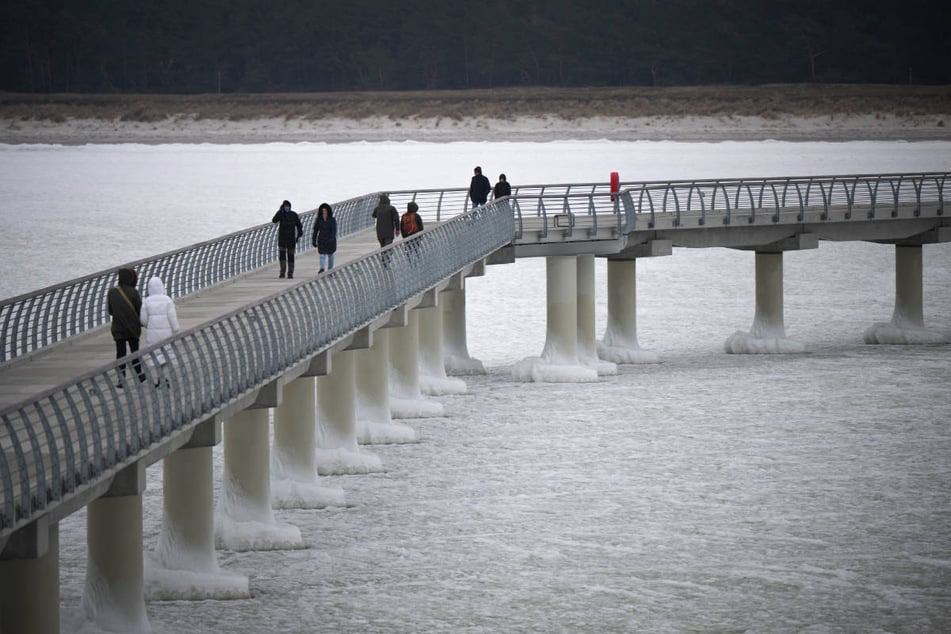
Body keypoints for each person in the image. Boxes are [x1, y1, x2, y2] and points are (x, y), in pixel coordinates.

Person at [107, 267, 146, 387]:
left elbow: (110, 311)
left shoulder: (112, 292)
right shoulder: (133, 292)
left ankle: (121, 379)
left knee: (120, 353)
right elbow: (140, 309)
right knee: (135, 351)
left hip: (118, 328)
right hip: (133, 328)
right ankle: (139, 375)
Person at [139, 276, 180, 387]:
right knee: (165, 355)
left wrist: (149, 325)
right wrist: (175, 328)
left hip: (153, 333)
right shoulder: (167, 300)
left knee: (156, 356)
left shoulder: (146, 301)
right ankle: (165, 379)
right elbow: (172, 317)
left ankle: (159, 379)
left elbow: (143, 319)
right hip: (166, 333)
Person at [272, 199, 303, 279]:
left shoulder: (294, 215)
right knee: (282, 256)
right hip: (282, 239)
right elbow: (274, 220)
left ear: (290, 207)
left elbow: (299, 225)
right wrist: (280, 211)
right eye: (285, 206)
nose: (287, 208)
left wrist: (299, 234)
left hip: (291, 239)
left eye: (288, 206)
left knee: (290, 256)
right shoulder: (281, 214)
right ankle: (282, 272)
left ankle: (290, 273)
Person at [312, 202, 337, 273]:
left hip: (330, 240)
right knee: (322, 255)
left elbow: (334, 230)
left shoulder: (332, 220)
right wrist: (314, 240)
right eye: (323, 211)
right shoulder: (319, 220)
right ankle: (322, 268)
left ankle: (330, 270)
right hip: (322, 240)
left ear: (328, 211)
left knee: (330, 255)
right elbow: (315, 230)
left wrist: (332, 238)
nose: (324, 212)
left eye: (325, 211)